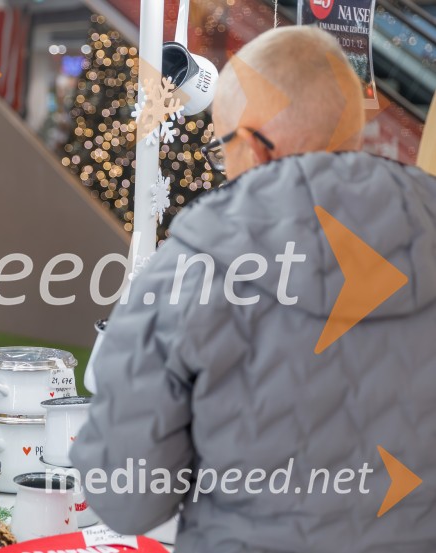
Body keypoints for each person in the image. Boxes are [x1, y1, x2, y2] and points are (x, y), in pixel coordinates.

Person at [71, 26, 436, 551]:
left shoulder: (193, 263)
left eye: (223, 148)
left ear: (257, 147)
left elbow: (127, 496)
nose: (224, 171)